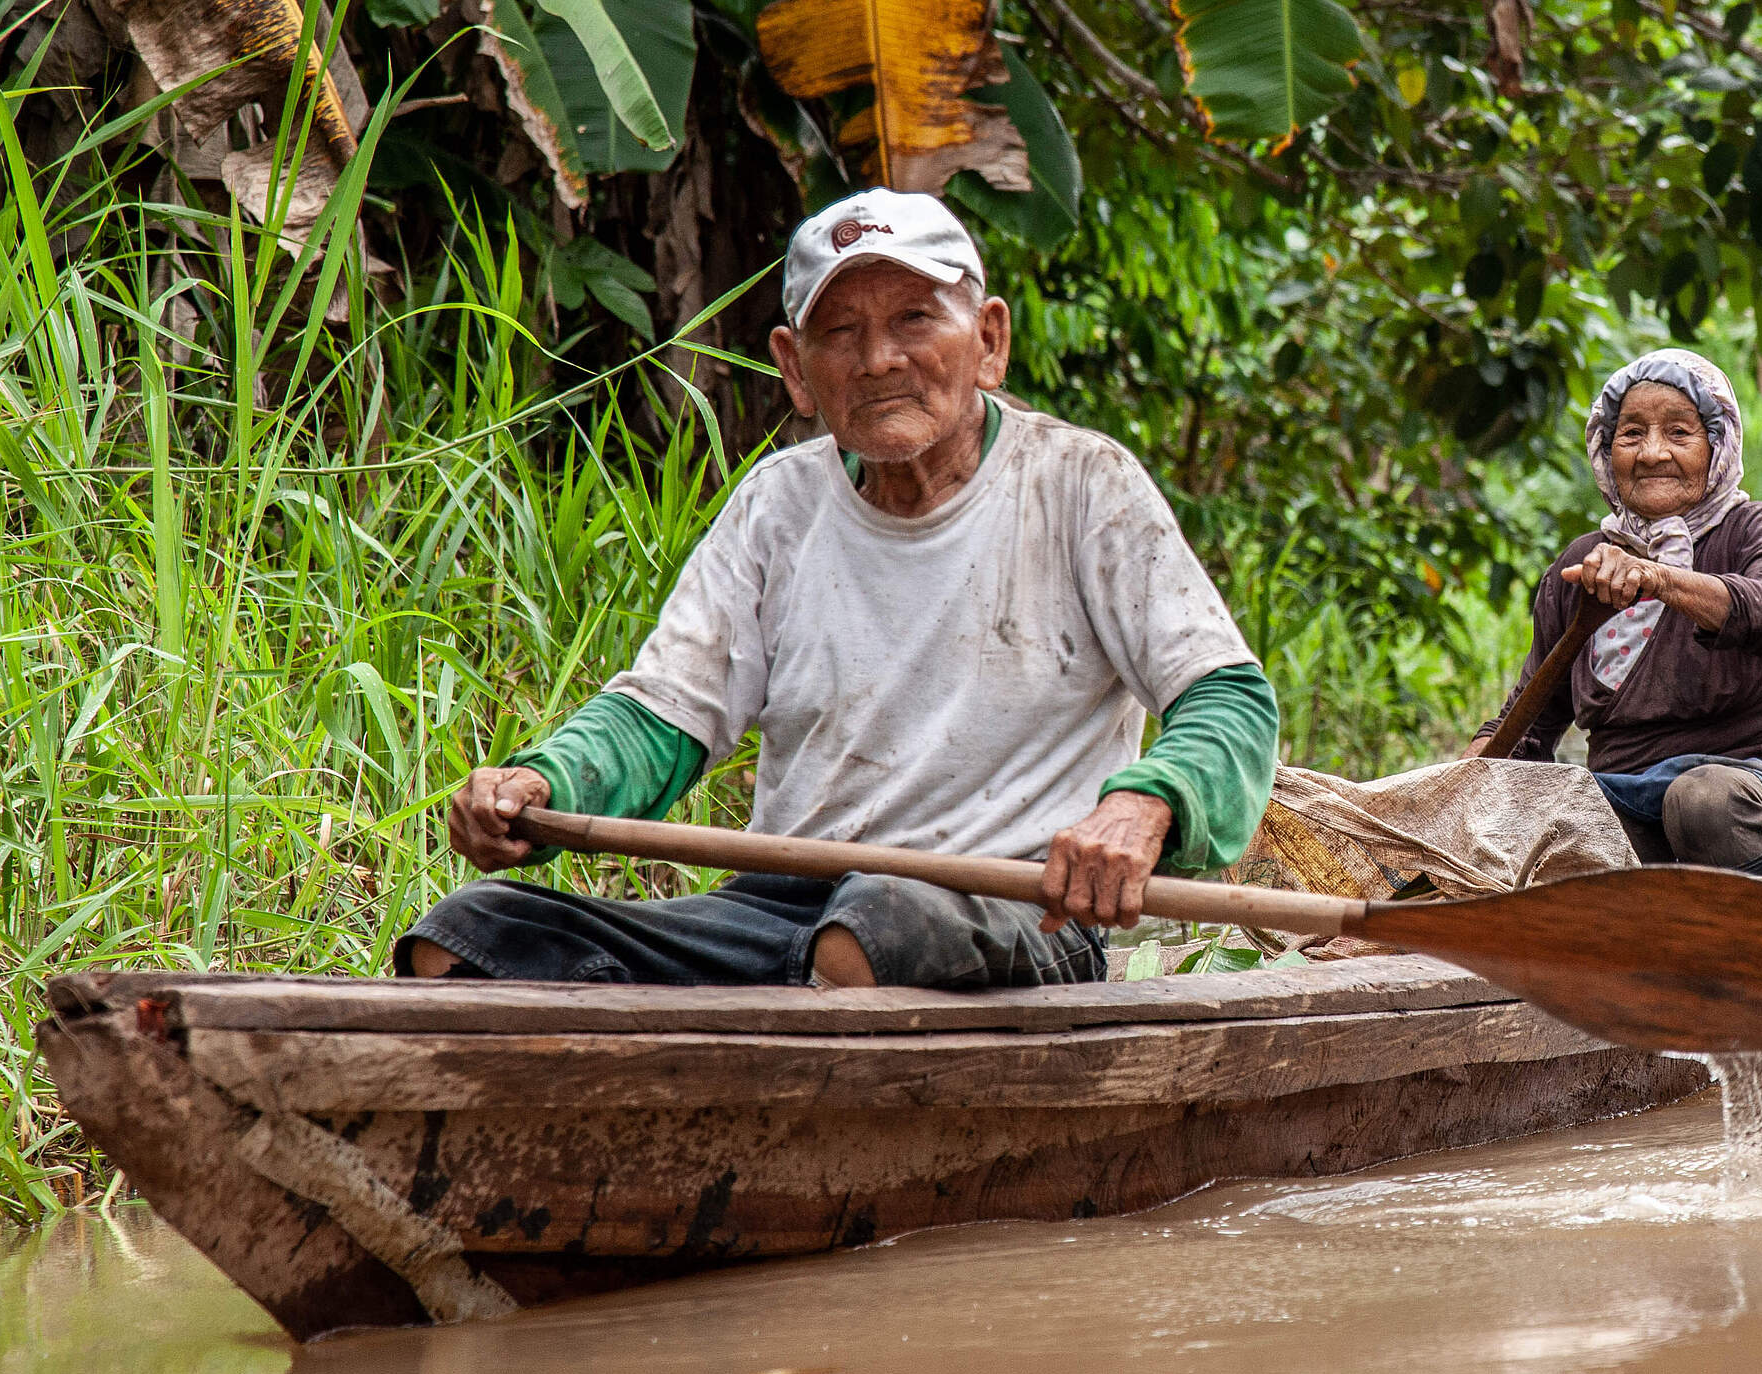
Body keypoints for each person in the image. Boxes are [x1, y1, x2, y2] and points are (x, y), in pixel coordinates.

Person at [397, 190, 1279, 988]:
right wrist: (543, 784)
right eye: (841, 333)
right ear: (794, 364)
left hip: (1009, 910)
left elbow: (1231, 702)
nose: (879, 359)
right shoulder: (777, 507)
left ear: (990, 342)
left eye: (914, 319)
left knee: (875, 927)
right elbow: (663, 716)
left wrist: (1145, 801)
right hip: (782, 910)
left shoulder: (1082, 482)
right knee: (467, 936)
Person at [1464, 348, 1762, 884]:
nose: (1653, 453)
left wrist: (1655, 578)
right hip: (1629, 806)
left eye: (1679, 433)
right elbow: (1530, 726)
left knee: (1697, 799)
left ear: (1716, 447)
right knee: (1547, 821)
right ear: (1607, 451)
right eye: (1631, 434)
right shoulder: (1583, 565)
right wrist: (1450, 788)